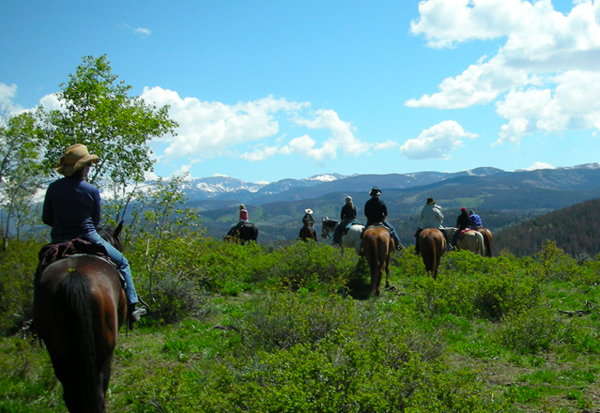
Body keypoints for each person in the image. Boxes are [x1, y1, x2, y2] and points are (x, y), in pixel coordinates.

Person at [41, 144, 145, 327]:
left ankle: (37, 316)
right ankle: (132, 306)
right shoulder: (90, 190)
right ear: (83, 167)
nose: (90, 168)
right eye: (88, 164)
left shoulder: (53, 188)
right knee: (122, 262)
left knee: (41, 272)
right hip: (88, 237)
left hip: (59, 240)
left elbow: (47, 218)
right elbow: (95, 222)